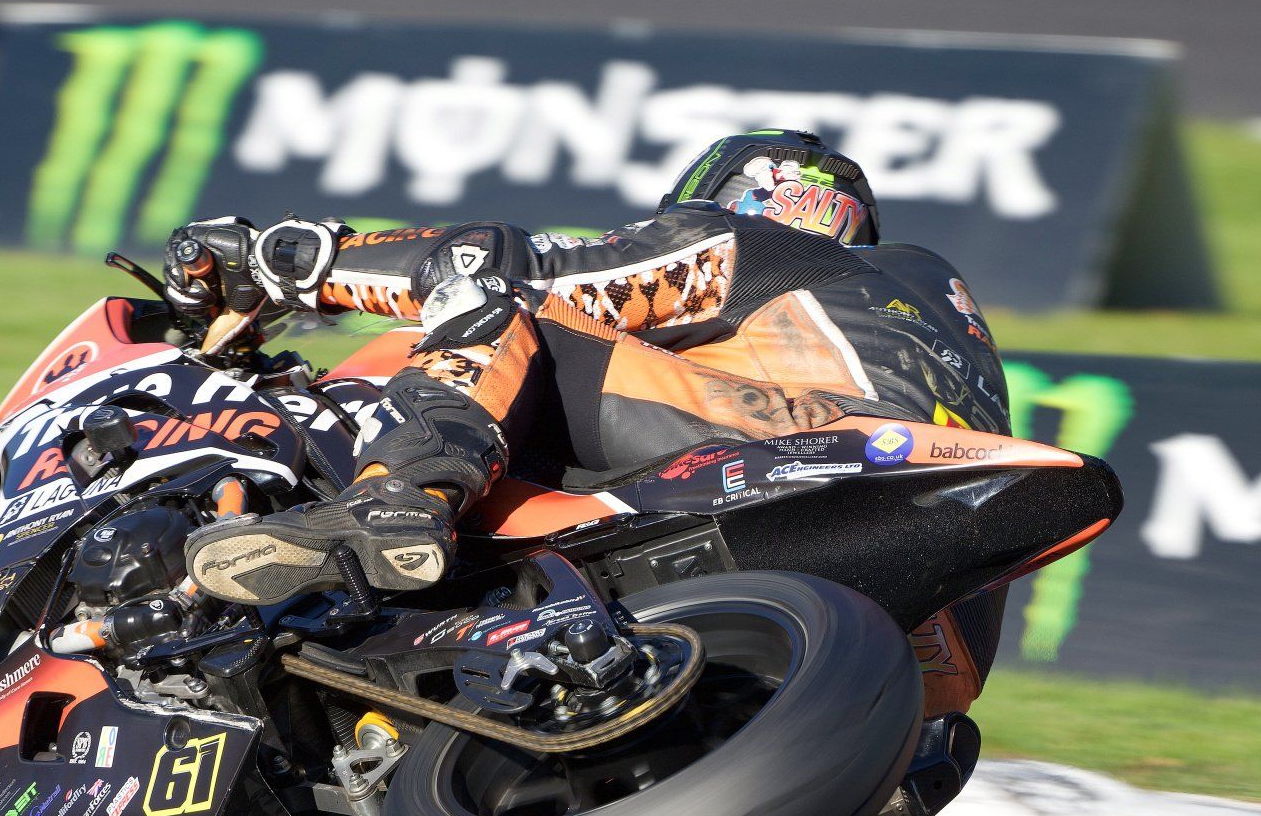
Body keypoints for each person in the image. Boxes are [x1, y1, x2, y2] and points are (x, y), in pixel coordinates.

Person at [167, 130, 1011, 625]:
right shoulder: (934, 319)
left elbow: (525, 268)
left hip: (797, 445)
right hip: (926, 608)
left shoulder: (767, 248)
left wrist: (292, 267)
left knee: (499, 303)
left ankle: (396, 499)